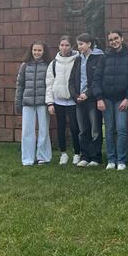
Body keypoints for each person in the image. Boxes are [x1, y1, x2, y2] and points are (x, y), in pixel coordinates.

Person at [93, 30, 128, 170]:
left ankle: (121, 160)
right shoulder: (104, 57)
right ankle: (111, 159)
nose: (114, 42)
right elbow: (96, 79)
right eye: (111, 39)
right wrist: (99, 98)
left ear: (122, 38)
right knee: (109, 130)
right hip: (106, 99)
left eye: (116, 38)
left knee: (121, 129)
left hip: (122, 99)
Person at [14, 41, 52, 166]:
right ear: (31, 51)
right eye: (34, 50)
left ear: (44, 51)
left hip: (43, 102)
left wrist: (50, 102)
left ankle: (43, 157)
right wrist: (18, 103)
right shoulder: (24, 65)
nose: (37, 52)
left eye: (39, 50)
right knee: (27, 131)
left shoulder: (48, 65)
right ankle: (27, 159)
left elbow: (50, 85)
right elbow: (20, 85)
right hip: (27, 102)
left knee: (43, 130)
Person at [45, 35, 81, 166]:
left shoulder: (77, 60)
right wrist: (50, 102)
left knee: (74, 127)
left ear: (72, 46)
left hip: (73, 100)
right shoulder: (54, 63)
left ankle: (77, 153)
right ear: (58, 46)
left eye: (67, 45)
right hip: (58, 100)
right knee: (60, 127)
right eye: (62, 45)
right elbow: (49, 83)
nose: (64, 48)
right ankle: (63, 153)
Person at [73, 33, 104, 167]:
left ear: (89, 44)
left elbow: (98, 80)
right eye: (78, 44)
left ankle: (96, 157)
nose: (79, 47)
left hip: (92, 99)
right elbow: (71, 80)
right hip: (79, 100)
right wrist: (75, 96)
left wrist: (87, 94)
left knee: (95, 130)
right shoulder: (78, 60)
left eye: (81, 44)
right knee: (83, 130)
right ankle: (84, 156)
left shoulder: (99, 58)